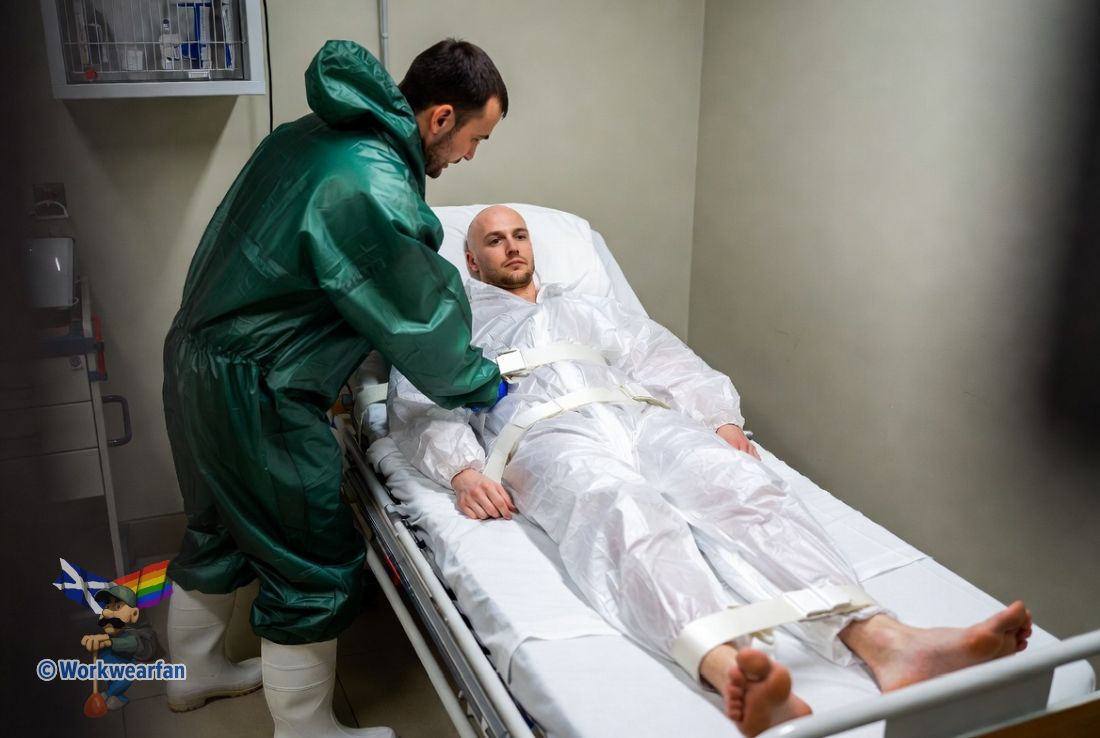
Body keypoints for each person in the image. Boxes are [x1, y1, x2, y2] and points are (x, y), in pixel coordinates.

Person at [388, 205, 1034, 737]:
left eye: (520, 235)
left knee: (741, 486)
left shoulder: (590, 309)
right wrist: (463, 470)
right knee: (622, 508)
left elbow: (664, 360)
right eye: (494, 240)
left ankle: (886, 640)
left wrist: (719, 419)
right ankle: (731, 671)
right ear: (470, 259)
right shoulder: (454, 317)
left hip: (638, 415)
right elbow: (419, 399)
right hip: (547, 434)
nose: (512, 247)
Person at [162, 40, 510, 737]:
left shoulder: (312, 134)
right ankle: (305, 728)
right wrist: (487, 386)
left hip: (198, 359)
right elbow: (419, 319)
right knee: (310, 558)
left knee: (218, 526)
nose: (471, 156)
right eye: (476, 138)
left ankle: (192, 673)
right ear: (441, 117)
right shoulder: (370, 182)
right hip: (261, 387)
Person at [79, 584, 159, 711]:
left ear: (134, 613)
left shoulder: (136, 633)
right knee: (104, 657)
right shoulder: (119, 627)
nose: (106, 612)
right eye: (107, 607)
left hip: (140, 654)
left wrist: (107, 642)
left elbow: (131, 643)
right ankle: (117, 694)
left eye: (117, 607)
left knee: (128, 669)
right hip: (124, 649)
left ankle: (109, 693)